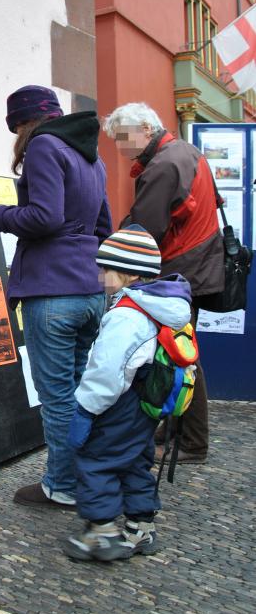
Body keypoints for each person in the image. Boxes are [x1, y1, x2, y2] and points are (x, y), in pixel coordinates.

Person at [0, 84, 112, 508]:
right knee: (86, 391)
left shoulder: (45, 146)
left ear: (25, 122)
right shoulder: (91, 155)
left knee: (58, 398)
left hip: (52, 293)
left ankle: (62, 485)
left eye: (17, 126)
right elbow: (103, 225)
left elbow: (43, 217)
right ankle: (90, 478)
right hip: (89, 290)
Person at [102, 103, 223, 465]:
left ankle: (191, 441)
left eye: (123, 139)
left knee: (180, 353)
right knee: (179, 351)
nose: (122, 149)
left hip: (182, 269)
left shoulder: (165, 163)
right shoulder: (187, 152)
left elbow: (145, 228)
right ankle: (176, 428)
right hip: (196, 266)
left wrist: (111, 258)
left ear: (144, 128)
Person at [63, 225, 192, 562]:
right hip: (148, 405)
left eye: (106, 269)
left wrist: (86, 410)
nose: (100, 274)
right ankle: (141, 527)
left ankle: (102, 532)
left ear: (129, 274)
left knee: (95, 459)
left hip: (121, 404)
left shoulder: (126, 316)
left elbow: (107, 372)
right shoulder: (163, 307)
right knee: (135, 459)